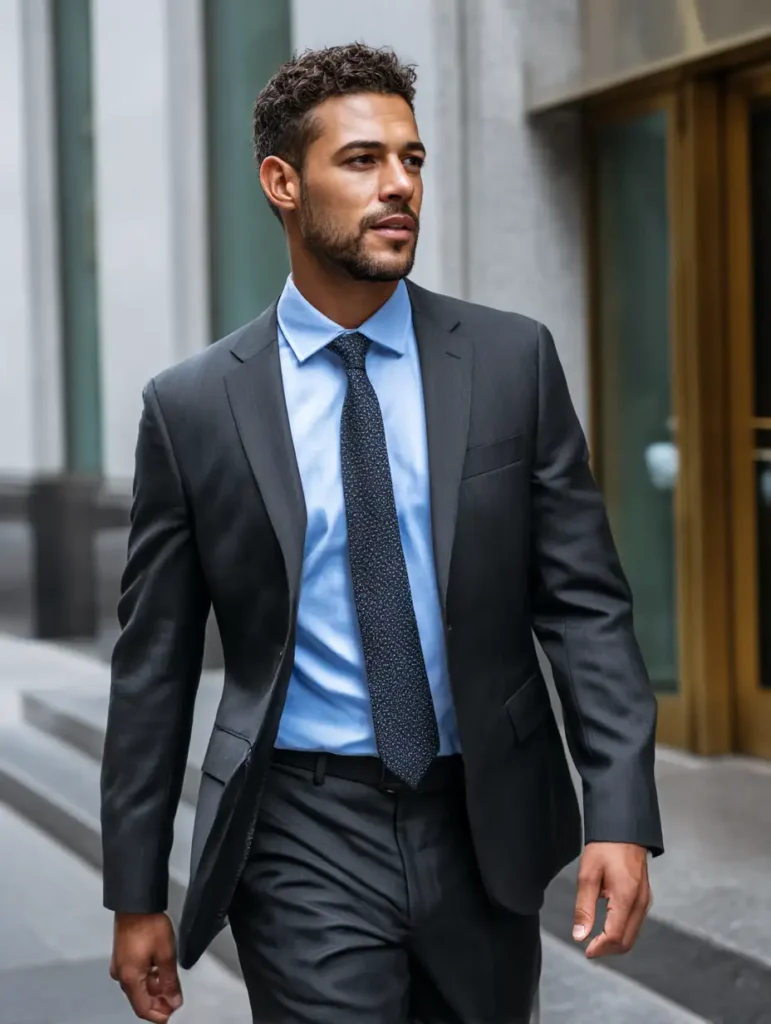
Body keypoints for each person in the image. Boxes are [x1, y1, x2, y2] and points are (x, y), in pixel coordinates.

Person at [101, 42, 663, 1024]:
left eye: (412, 159)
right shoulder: (193, 408)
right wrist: (135, 887)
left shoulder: (509, 362)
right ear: (283, 182)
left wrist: (619, 810)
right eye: (361, 161)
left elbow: (584, 602)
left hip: (480, 819)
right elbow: (153, 664)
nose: (399, 183)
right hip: (301, 825)